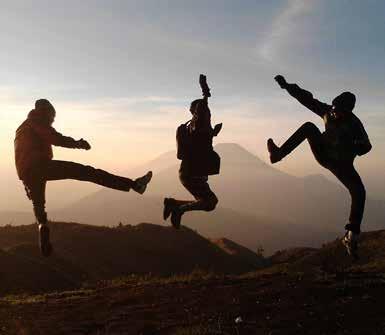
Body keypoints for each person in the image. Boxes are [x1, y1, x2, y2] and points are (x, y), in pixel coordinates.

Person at [15, 99, 152, 256]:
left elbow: (20, 158)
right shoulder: (36, 122)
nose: (53, 121)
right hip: (40, 166)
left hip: (27, 173)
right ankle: (135, 185)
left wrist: (26, 183)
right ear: (45, 113)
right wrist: (78, 144)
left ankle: (43, 237)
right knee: (86, 172)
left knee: (39, 206)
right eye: (52, 117)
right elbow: (55, 138)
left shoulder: (23, 127)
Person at [267, 75, 372, 259]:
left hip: (342, 164)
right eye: (334, 109)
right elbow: (307, 99)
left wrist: (352, 145)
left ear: (348, 111)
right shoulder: (328, 111)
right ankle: (278, 155)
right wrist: (286, 86)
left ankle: (351, 237)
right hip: (324, 155)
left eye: (339, 112)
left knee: (359, 192)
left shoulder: (354, 124)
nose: (335, 113)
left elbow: (367, 146)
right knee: (309, 127)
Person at [163, 75, 222, 229]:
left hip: (192, 174)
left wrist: (213, 133)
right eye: (205, 111)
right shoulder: (198, 124)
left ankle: (173, 204)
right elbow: (202, 107)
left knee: (208, 203)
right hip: (191, 174)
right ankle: (177, 209)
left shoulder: (197, 128)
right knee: (210, 203)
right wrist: (204, 90)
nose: (209, 113)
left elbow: (200, 142)